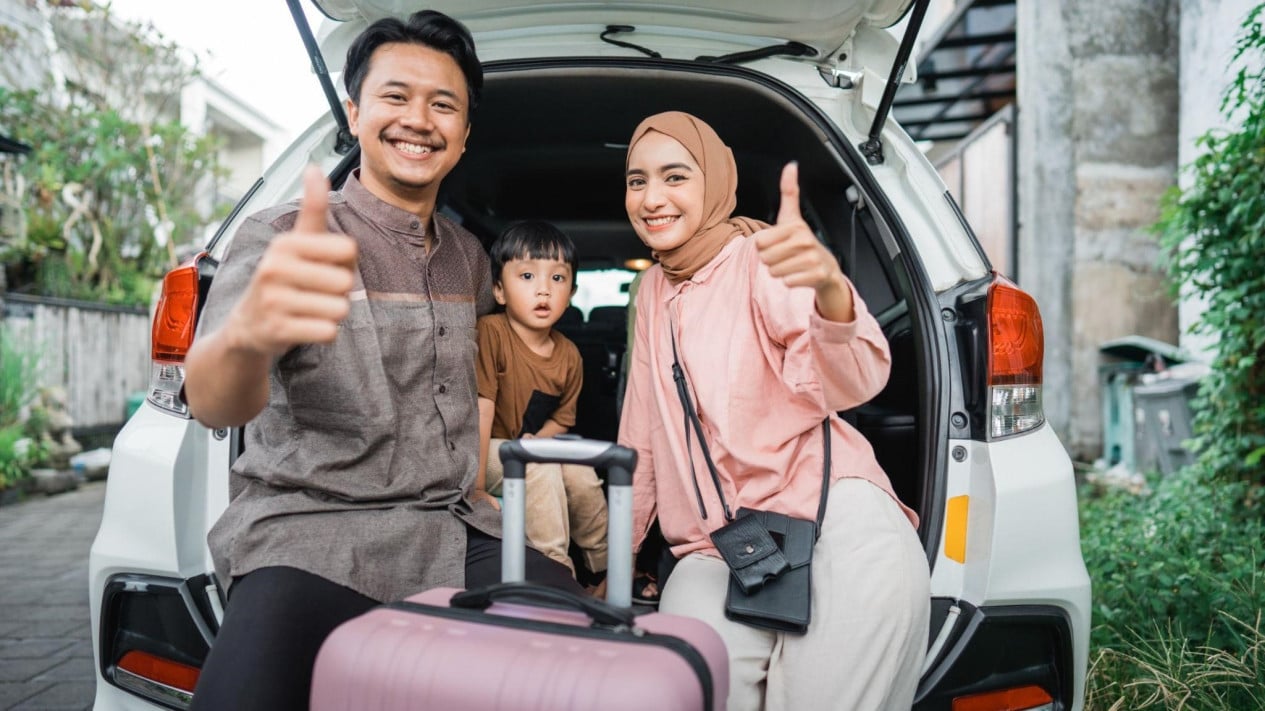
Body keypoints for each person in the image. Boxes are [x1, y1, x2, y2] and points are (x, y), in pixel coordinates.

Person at [182, 12, 579, 710]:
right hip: (306, 534)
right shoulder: (281, 235)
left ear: (463, 133)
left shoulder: (468, 257)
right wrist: (247, 336)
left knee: (590, 650)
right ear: (356, 109)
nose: (418, 120)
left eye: (443, 104)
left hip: (451, 528)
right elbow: (215, 401)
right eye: (396, 97)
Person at [618, 111, 930, 711]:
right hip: (720, 546)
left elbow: (851, 378)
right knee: (687, 682)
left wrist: (832, 293)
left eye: (675, 176)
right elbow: (642, 438)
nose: (652, 198)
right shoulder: (652, 290)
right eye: (637, 181)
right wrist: (616, 559)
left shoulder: (761, 258)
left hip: (839, 527)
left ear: (712, 181)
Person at [474, 220, 609, 582]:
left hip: (523, 449)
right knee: (540, 468)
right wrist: (473, 486)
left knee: (581, 472)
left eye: (557, 279)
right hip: (483, 452)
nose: (544, 291)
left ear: (573, 291)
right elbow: (481, 410)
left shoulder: (569, 355)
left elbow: (563, 419)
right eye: (528, 277)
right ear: (499, 290)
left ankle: (604, 569)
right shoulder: (491, 333)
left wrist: (540, 439)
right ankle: (557, 575)